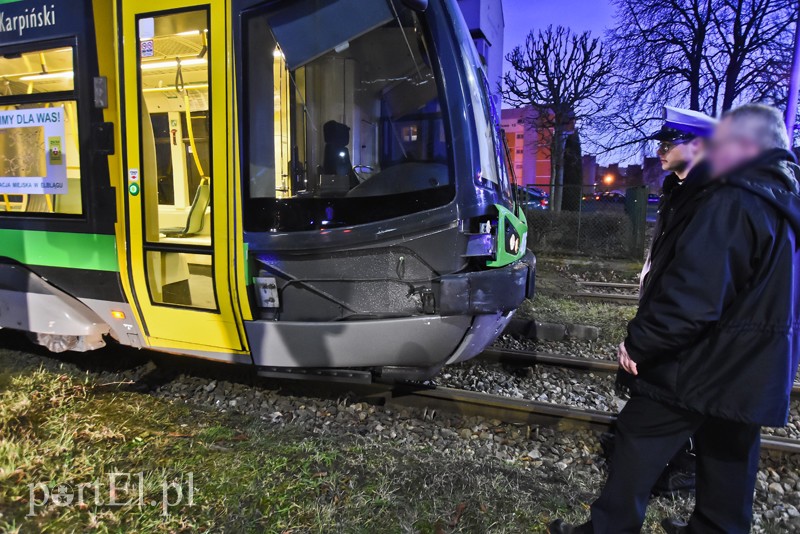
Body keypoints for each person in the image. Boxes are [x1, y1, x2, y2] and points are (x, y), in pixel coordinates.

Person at [549, 103, 800, 534]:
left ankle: (607, 530)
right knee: (729, 449)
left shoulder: (734, 197)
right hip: (754, 359)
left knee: (637, 435)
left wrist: (640, 342)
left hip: (705, 360)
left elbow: (695, 293)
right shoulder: (781, 198)